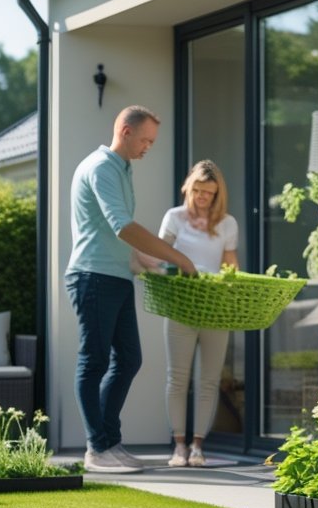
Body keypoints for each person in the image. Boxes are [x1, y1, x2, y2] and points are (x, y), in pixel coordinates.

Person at [65, 105, 196, 475]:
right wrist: (179, 258)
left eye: (151, 142)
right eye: (145, 140)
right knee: (94, 361)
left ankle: (108, 442)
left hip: (117, 276)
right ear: (125, 131)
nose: (147, 148)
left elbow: (113, 235)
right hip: (92, 277)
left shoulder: (121, 169)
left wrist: (144, 261)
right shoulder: (101, 167)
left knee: (129, 359)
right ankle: (98, 447)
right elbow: (122, 226)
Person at [157, 160, 239, 467]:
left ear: (218, 194)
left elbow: (231, 266)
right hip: (180, 306)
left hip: (215, 309)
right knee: (177, 378)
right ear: (188, 188)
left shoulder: (227, 223)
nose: (203, 197)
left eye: (210, 192)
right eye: (198, 190)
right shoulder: (174, 218)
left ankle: (198, 447)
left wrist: (230, 288)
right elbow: (159, 256)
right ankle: (179, 446)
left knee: (209, 380)